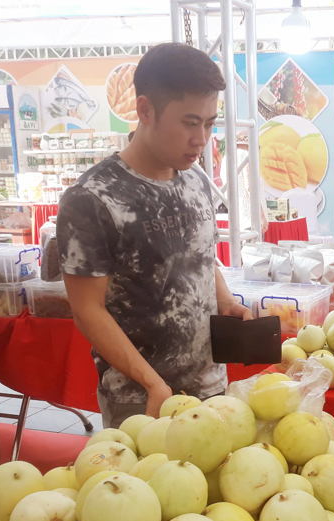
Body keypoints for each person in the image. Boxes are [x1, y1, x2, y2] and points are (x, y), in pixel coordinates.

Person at [56, 43, 251, 429]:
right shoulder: (92, 199)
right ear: (145, 110)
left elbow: (200, 256)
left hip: (212, 388)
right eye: (190, 122)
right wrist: (151, 382)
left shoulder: (196, 182)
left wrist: (226, 302)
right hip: (142, 402)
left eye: (210, 124)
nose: (202, 139)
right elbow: (87, 310)